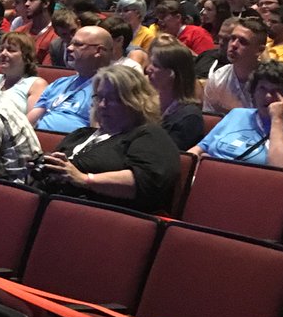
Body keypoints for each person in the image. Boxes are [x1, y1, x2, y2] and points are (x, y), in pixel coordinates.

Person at [38, 64, 180, 213]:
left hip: (98, 217)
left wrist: (85, 179)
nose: (102, 105)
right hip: (52, 205)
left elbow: (148, 181)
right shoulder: (81, 134)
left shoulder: (149, 135)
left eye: (112, 99)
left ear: (136, 101)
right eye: (99, 97)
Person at [190, 61, 283, 169]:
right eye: (262, 88)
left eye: (276, 91)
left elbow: (281, 171)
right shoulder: (237, 114)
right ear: (253, 91)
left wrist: (277, 119)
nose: (268, 96)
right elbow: (201, 148)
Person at [28, 24, 113, 133]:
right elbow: (30, 121)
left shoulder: (109, 89)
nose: (69, 48)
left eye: (78, 44)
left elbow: (100, 134)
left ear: (98, 51)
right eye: (71, 43)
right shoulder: (59, 83)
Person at [144, 36, 204, 150]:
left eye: (155, 65)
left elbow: (165, 156)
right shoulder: (149, 105)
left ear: (172, 74)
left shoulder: (189, 118)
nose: (148, 69)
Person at [202, 16, 268, 115]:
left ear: (259, 50)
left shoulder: (270, 82)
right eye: (232, 38)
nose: (234, 45)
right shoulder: (218, 78)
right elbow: (210, 121)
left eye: (243, 42)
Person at [0, 31, 45, 113]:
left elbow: (31, 122)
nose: (3, 53)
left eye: (11, 50)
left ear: (26, 57)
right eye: (1, 50)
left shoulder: (35, 84)